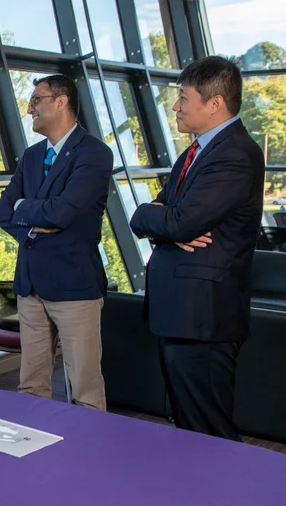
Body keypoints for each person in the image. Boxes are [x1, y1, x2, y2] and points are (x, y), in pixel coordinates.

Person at [130, 56, 264, 440]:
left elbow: (175, 220)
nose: (175, 106)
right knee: (189, 426)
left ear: (215, 103)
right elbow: (166, 215)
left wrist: (162, 219)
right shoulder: (196, 152)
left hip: (203, 316)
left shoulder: (234, 154)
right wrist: (166, 222)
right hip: (182, 313)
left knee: (209, 429)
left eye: (183, 97)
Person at [0, 74, 112, 411]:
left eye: (36, 99)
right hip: (30, 286)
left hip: (75, 286)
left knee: (84, 390)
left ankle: (88, 457)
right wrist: (30, 226)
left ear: (61, 102)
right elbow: (2, 212)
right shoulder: (31, 156)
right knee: (30, 386)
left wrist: (23, 208)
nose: (29, 107)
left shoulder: (94, 154)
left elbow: (62, 212)